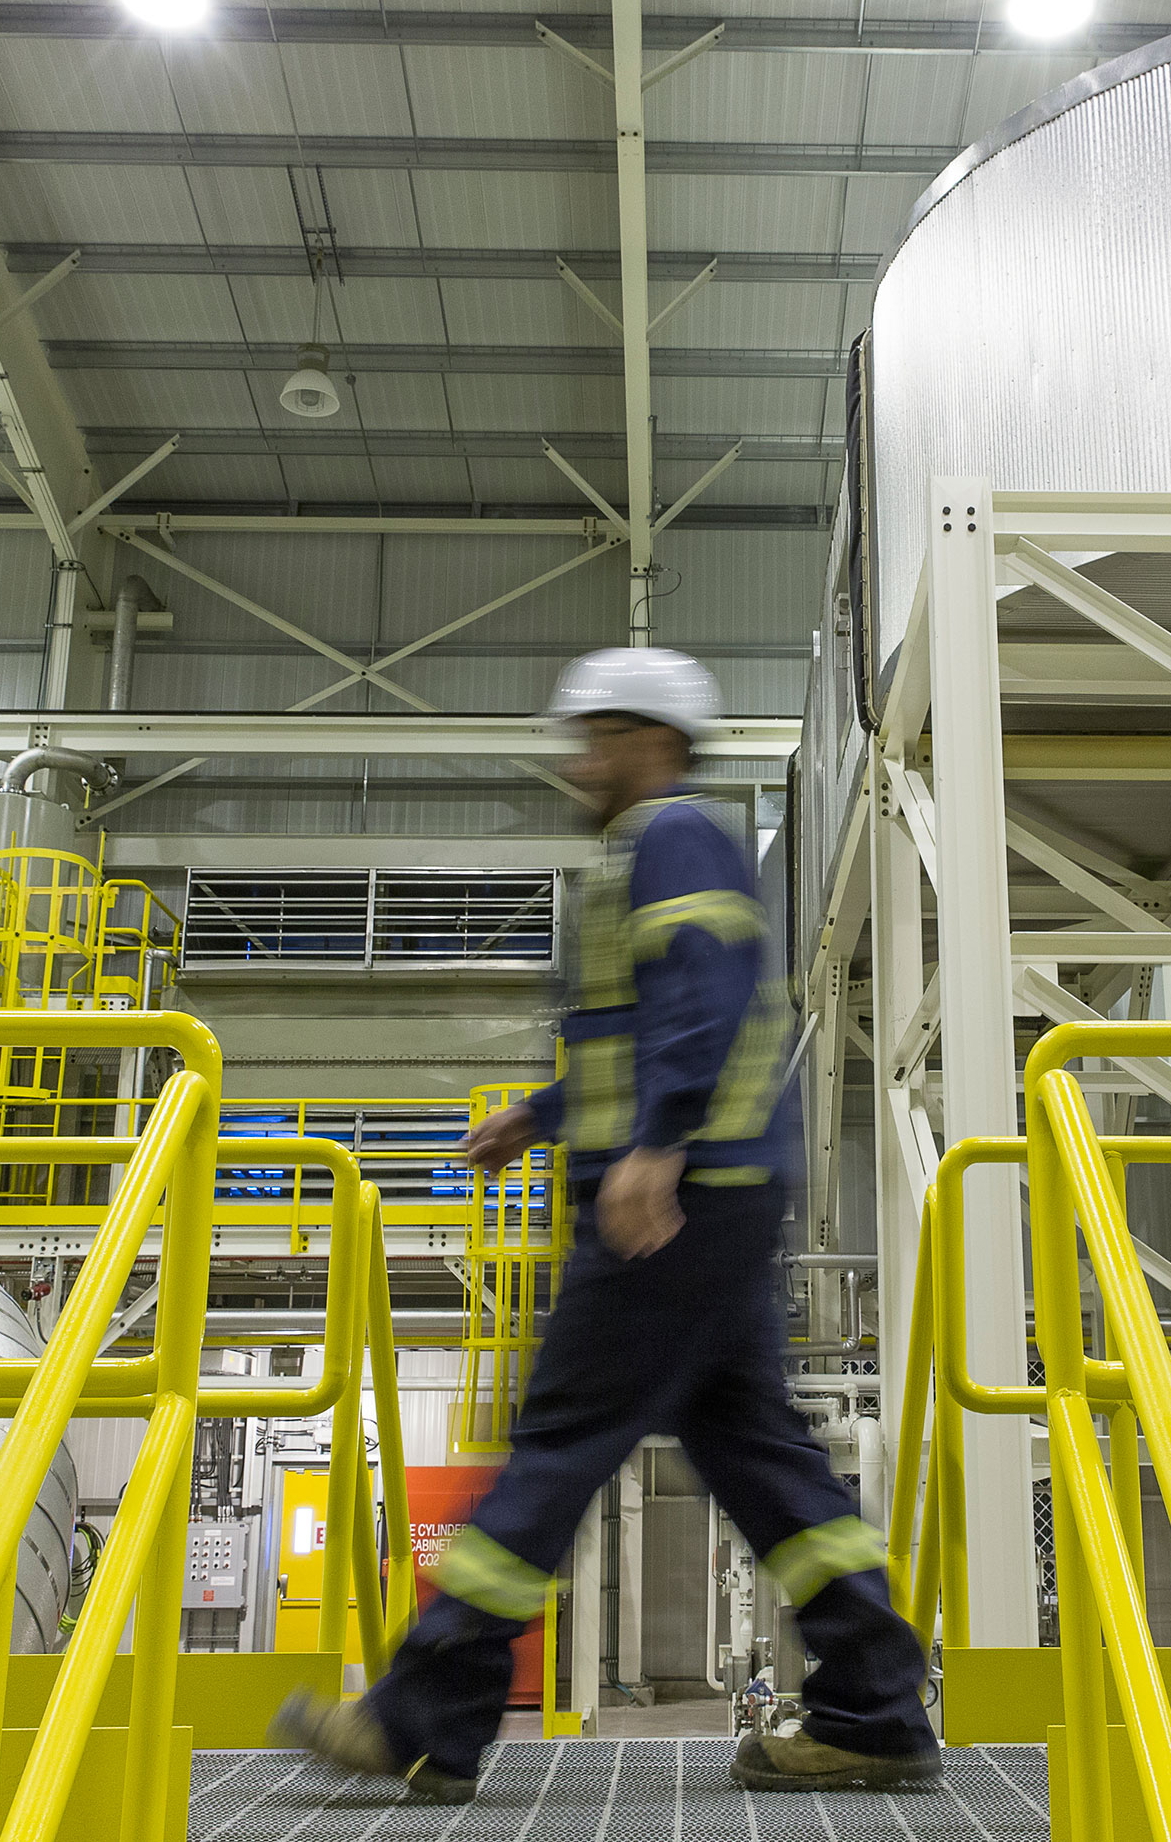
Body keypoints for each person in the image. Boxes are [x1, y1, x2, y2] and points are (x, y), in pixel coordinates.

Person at [272, 647, 940, 1803]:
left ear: (653, 741)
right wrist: (538, 1117)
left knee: (558, 1440)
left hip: (675, 1203)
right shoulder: (649, 851)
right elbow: (634, 1031)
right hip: (710, 1197)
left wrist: (656, 1144)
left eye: (596, 737)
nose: (577, 762)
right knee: (765, 1459)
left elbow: (705, 993)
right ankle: (875, 1703)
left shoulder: (670, 836)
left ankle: (422, 1711)